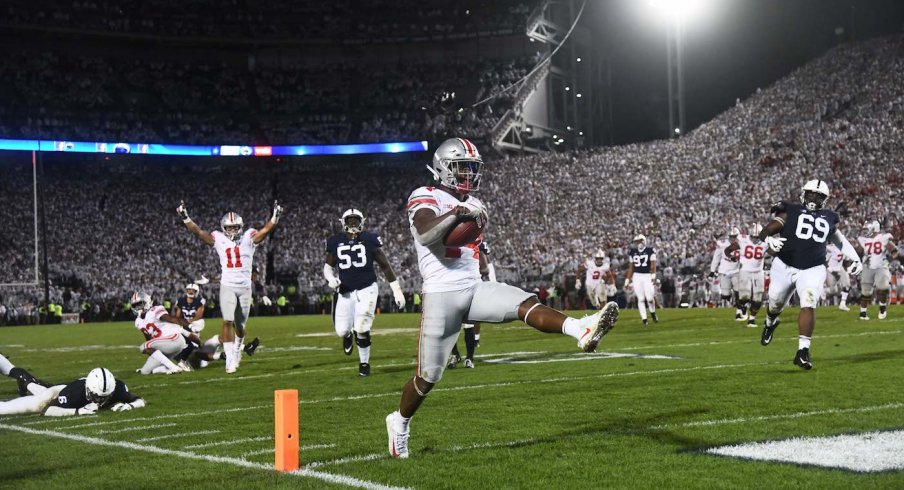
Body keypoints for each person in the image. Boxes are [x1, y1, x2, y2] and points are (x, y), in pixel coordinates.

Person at [385, 138, 619, 459]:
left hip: (474, 288)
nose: (468, 174)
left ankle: (582, 330)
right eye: (461, 167)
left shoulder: (474, 203)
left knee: (524, 303)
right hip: (440, 294)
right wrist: (457, 214)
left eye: (471, 168)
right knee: (428, 378)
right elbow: (426, 235)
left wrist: (469, 217)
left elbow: (471, 248)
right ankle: (399, 422)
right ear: (442, 168)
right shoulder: (425, 195)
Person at [759, 180, 863, 370]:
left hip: (813, 268)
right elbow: (768, 229)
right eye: (810, 194)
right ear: (803, 194)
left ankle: (802, 352)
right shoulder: (790, 210)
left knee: (809, 301)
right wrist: (768, 239)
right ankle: (770, 322)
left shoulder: (829, 217)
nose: (813, 198)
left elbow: (840, 241)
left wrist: (855, 258)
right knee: (775, 303)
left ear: (825, 199)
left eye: (818, 195)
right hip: (784, 265)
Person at [177, 200, 283, 373]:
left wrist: (275, 217)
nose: (232, 230)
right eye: (229, 227)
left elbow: (265, 230)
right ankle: (230, 359)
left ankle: (236, 350)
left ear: (240, 227)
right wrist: (185, 217)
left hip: (244, 288)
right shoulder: (218, 238)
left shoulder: (249, 237)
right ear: (223, 228)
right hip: (227, 286)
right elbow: (197, 231)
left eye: (235, 227)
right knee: (227, 321)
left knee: (240, 327)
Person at [324, 208, 406, 377]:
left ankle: (364, 364)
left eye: (356, 220)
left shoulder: (369, 239)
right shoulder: (335, 241)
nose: (353, 224)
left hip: (367, 288)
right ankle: (347, 335)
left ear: (362, 221)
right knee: (341, 331)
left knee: (362, 326)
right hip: (345, 291)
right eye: (350, 220)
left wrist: (397, 291)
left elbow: (385, 265)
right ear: (343, 222)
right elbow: (328, 267)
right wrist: (330, 278)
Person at [0, 367, 145, 416]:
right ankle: (24, 378)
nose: (101, 401)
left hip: (66, 389)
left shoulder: (117, 388)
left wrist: (130, 405)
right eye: (97, 396)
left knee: (41, 391)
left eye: (105, 397)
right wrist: (77, 411)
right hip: (59, 391)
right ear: (89, 390)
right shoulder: (75, 393)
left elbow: (139, 399)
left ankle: (27, 382)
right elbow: (47, 410)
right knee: (37, 403)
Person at [448, 241, 494, 369]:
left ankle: (469, 358)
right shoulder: (452, 246)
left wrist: (471, 271)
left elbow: (485, 269)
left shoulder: (476, 247)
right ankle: (455, 355)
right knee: (451, 326)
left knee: (469, 325)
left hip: (470, 288)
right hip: (454, 289)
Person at [131, 292, 200, 375]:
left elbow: (174, 320)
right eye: (135, 305)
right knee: (145, 372)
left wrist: (190, 326)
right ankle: (178, 367)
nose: (138, 307)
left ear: (147, 302)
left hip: (174, 339)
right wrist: (153, 355)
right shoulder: (138, 322)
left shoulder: (155, 310)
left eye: (140, 304)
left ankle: (173, 368)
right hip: (164, 345)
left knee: (143, 346)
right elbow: (148, 338)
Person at [724, 223, 767, 327]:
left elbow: (774, 253)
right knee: (745, 297)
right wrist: (731, 257)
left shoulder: (766, 243)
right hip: (745, 271)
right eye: (753, 236)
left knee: (757, 298)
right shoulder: (743, 241)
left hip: (759, 272)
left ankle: (752, 320)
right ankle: (742, 307)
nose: (755, 239)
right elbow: (727, 250)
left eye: (757, 237)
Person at [855, 220, 899, 320]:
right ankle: (863, 313)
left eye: (867, 228)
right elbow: (858, 251)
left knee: (882, 288)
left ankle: (882, 307)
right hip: (867, 266)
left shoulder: (883, 238)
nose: (865, 230)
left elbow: (894, 250)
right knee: (866, 291)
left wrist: (891, 259)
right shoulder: (864, 240)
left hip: (881, 266)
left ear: (874, 228)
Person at [624, 234, 658, 325]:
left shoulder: (650, 250)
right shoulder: (632, 252)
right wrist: (627, 281)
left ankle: (653, 313)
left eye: (640, 241)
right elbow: (631, 268)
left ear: (644, 241)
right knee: (641, 299)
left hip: (647, 276)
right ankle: (644, 319)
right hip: (637, 276)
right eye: (637, 242)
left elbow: (653, 265)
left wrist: (653, 276)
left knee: (650, 298)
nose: (638, 243)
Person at [710, 227, 744, 320]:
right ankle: (735, 302)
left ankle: (739, 310)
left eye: (735, 236)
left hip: (736, 270)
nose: (733, 238)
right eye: (731, 236)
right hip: (724, 270)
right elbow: (716, 258)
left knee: (738, 291)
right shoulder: (722, 244)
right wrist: (712, 271)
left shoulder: (743, 244)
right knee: (725, 295)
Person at [825, 242, 852, 310]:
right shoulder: (829, 248)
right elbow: (824, 261)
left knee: (847, 284)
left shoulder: (844, 248)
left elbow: (847, 260)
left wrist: (847, 270)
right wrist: (832, 271)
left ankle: (842, 304)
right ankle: (823, 291)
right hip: (830, 269)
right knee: (833, 291)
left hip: (840, 268)